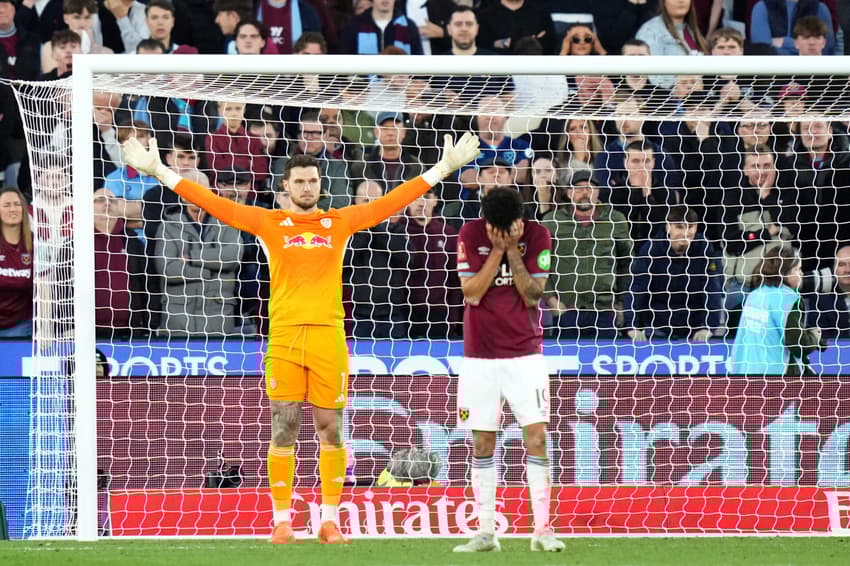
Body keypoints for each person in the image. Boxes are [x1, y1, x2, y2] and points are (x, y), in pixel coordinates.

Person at [120, 130, 480, 544]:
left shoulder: (340, 221)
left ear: (320, 186)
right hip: (285, 340)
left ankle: (329, 521)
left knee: (331, 430)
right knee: (284, 427)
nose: (307, 187)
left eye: (313, 181)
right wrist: (159, 171)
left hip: (329, 338)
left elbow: (390, 202)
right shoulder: (268, 222)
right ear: (285, 188)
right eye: (300, 182)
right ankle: (282, 521)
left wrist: (443, 169)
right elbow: (211, 202)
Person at [453, 187, 564, 553]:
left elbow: (533, 295)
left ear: (520, 219)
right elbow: (471, 292)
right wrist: (497, 250)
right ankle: (486, 532)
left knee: (537, 438)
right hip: (479, 357)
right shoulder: (470, 233)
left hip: (525, 355)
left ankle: (543, 529)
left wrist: (513, 252)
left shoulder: (538, 235)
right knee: (482, 442)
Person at [730, 245, 823, 376]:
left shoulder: (755, 294)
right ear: (785, 273)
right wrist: (815, 336)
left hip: (744, 372)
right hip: (777, 378)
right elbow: (799, 346)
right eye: (798, 269)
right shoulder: (788, 299)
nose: (802, 274)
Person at [0, 186, 33, 338]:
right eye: (6, 205)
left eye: (17, 204)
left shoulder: (36, 244)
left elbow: (44, 288)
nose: (12, 209)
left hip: (20, 325)